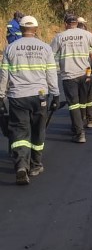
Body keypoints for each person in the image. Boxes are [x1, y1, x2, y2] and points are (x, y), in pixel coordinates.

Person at [0, 15, 59, 185]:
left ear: (20, 28)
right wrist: (55, 94)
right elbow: (51, 73)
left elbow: (4, 75)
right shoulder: (45, 48)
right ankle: (35, 164)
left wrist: (1, 95)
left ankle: (21, 165)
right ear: (36, 29)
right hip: (39, 95)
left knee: (20, 131)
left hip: (18, 96)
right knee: (38, 129)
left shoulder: (10, 48)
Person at [50, 14, 92, 143]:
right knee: (84, 101)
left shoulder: (59, 37)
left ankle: (79, 133)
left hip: (69, 76)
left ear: (65, 23)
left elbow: (49, 57)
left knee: (74, 105)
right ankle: (82, 124)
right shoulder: (86, 34)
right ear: (76, 23)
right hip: (85, 74)